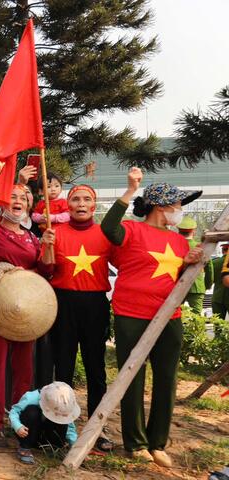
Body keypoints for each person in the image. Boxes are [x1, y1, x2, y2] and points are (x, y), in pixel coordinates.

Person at [101, 168, 203, 467]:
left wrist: (187, 265)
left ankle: (158, 442)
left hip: (169, 316)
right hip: (132, 313)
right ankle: (135, 443)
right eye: (177, 205)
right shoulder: (132, 230)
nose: (180, 211)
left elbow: (177, 280)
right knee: (131, 377)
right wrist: (131, 190)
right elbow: (108, 228)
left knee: (167, 378)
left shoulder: (181, 242)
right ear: (162, 206)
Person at [0, 162, 52, 447]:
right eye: (12, 197)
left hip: (26, 311)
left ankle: (22, 422)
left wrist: (49, 248)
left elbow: (46, 270)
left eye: (23, 198)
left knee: (24, 370)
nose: (18, 201)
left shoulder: (32, 238)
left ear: (29, 206)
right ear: (3, 203)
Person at [39, 184, 114, 452]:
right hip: (63, 302)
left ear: (94, 205)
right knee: (64, 368)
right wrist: (46, 247)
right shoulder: (54, 232)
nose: (81, 204)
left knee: (96, 370)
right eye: (75, 200)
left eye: (86, 199)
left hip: (95, 305)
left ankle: (97, 428)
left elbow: (127, 261)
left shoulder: (105, 234)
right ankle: (60, 428)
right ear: (67, 205)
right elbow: (46, 268)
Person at [9, 381, 79, 465]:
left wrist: (76, 446)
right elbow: (14, 411)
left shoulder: (64, 405)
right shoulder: (31, 397)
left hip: (47, 438)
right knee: (32, 412)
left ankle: (55, 449)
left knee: (62, 421)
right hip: (28, 432)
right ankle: (25, 448)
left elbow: (70, 427)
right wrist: (18, 426)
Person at [177, 216, 213, 314]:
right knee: (197, 316)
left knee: (174, 314)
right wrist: (207, 285)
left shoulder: (172, 246)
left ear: (178, 230)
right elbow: (209, 268)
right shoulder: (201, 247)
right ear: (194, 231)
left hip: (176, 287)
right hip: (196, 286)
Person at [211, 243, 229, 320]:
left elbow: (210, 279)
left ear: (222, 250)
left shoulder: (214, 262)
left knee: (218, 323)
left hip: (218, 297)